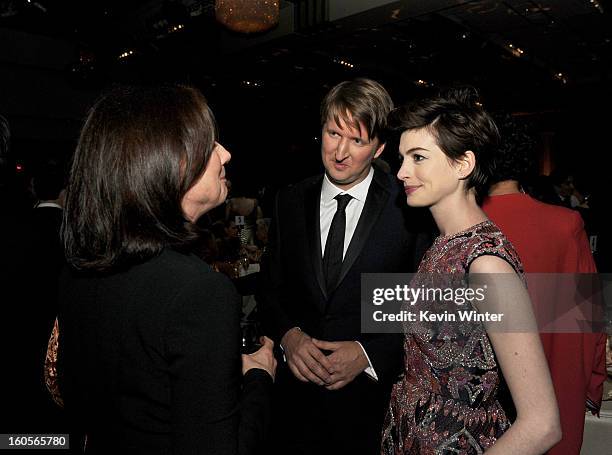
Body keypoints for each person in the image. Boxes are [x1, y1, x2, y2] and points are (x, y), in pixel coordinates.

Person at [56, 85, 276, 454]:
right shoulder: (198, 292)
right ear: (171, 162)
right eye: (209, 145)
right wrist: (259, 378)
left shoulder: (79, 271)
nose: (225, 153)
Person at [382, 88, 561, 454]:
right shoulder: (443, 244)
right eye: (401, 158)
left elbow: (542, 424)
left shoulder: (486, 265)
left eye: (418, 157)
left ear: (463, 165)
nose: (401, 172)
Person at [257, 78, 429, 454]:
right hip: (294, 409)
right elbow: (269, 290)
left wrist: (368, 353)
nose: (340, 152)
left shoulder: (408, 208)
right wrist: (289, 336)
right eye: (334, 133)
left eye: (358, 140)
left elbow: (422, 307)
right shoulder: (289, 200)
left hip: (369, 409)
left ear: (380, 147)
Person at [482, 115, 606, 454]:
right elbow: (589, 316)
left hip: (479, 401)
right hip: (550, 389)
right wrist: (593, 380)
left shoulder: (460, 226)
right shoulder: (566, 224)